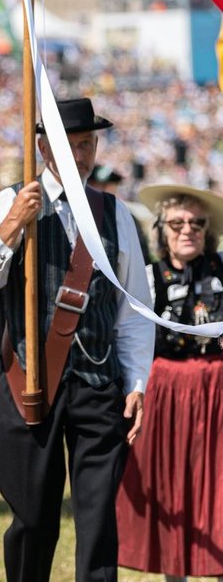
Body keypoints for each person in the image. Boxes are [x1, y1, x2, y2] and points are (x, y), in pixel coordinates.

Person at [0, 97, 154, 582]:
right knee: (31, 518)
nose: (81, 155)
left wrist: (136, 381)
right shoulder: (9, 203)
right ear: (44, 148)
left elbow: (134, 306)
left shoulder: (116, 213)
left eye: (87, 144)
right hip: (28, 379)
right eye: (70, 145)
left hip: (99, 382)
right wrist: (10, 228)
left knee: (99, 521)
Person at [117, 183, 223, 581]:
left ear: (208, 230)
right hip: (166, 391)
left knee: (218, 483)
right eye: (177, 223)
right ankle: (174, 571)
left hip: (217, 390)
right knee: (170, 482)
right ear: (162, 229)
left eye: (197, 223)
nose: (187, 230)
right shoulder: (148, 277)